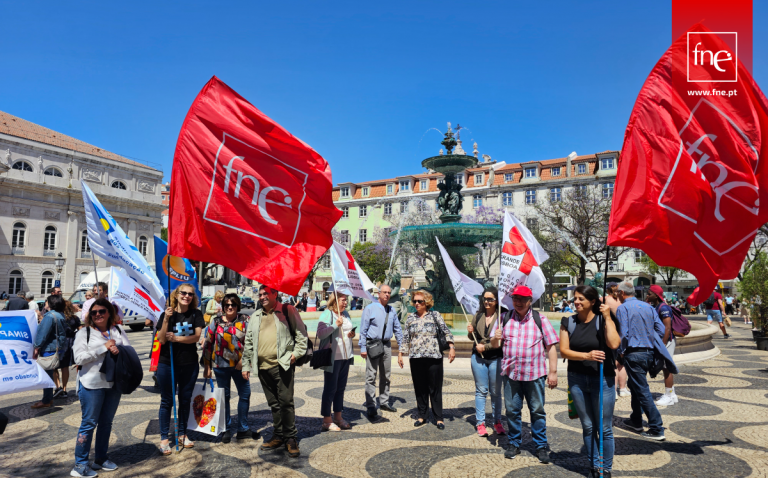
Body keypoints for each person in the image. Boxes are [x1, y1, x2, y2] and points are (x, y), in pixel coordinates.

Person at [490, 285, 559, 463]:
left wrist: (553, 372)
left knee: (537, 411)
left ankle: (541, 445)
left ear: (530, 301)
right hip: (511, 375)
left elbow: (551, 347)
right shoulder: (504, 318)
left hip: (534, 375)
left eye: (522, 299)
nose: (518, 302)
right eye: (515, 298)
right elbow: (495, 346)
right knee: (512, 411)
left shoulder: (540, 319)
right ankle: (514, 442)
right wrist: (495, 337)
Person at [559, 285, 621, 478]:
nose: (576, 302)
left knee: (604, 427)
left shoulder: (603, 320)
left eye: (581, 299)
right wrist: (587, 355)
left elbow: (614, 343)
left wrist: (608, 317)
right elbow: (564, 351)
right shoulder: (568, 322)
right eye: (575, 298)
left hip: (602, 379)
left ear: (593, 302)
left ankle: (606, 468)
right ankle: (594, 466)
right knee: (587, 425)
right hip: (576, 378)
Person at [241, 285, 307, 458]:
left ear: (275, 293)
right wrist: (246, 365)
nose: (262, 297)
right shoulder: (255, 316)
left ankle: (291, 437)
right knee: (274, 404)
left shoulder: (287, 310)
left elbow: (302, 335)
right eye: (260, 294)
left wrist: (295, 355)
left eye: (265, 294)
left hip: (282, 365)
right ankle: (279, 435)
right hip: (262, 368)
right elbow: (249, 342)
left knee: (285, 402)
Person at [70, 299, 129, 477]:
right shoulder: (84, 333)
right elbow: (78, 359)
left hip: (113, 384)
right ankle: (80, 465)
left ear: (109, 312)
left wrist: (119, 349)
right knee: (88, 424)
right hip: (91, 384)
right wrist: (103, 348)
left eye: (102, 311)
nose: (98, 314)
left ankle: (101, 458)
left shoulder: (117, 330)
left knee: (106, 423)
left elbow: (129, 351)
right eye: (94, 312)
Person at [616, 281, 670, 441]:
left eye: (617, 293)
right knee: (635, 385)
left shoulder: (623, 308)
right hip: (648, 353)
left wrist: (620, 352)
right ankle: (636, 420)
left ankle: (656, 427)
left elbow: (623, 334)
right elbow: (660, 330)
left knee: (642, 390)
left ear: (621, 293)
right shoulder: (648, 307)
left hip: (633, 353)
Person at [155, 284, 204, 455]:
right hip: (167, 363)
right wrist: (167, 319)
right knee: (167, 401)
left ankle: (182, 434)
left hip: (189, 363)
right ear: (177, 295)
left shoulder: (196, 314)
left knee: (185, 400)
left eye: (190, 294)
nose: (187, 296)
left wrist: (176, 338)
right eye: (183, 293)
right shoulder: (166, 314)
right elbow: (161, 340)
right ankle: (164, 438)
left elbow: (196, 337)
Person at [202, 293, 255, 443]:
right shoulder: (216, 321)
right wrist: (207, 366)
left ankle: (243, 428)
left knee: (245, 394)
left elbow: (251, 342)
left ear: (237, 306)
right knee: (224, 398)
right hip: (220, 366)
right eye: (227, 305)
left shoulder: (245, 320)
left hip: (240, 366)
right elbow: (208, 343)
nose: (230, 307)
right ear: (223, 306)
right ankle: (225, 428)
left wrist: (244, 362)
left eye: (233, 305)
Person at [399, 290, 455, 430]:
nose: (416, 304)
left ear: (427, 302)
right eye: (415, 301)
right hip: (416, 358)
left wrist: (452, 347)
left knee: (435, 388)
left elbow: (446, 331)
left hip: (434, 357)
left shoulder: (435, 315)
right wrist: (401, 354)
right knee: (420, 388)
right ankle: (422, 415)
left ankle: (438, 417)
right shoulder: (411, 318)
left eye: (420, 301)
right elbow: (406, 338)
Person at [360, 284, 403, 420]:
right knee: (371, 376)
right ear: (378, 293)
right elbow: (363, 330)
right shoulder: (370, 308)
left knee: (386, 375)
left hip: (386, 346)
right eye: (385, 292)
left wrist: (401, 347)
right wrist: (362, 347)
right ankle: (371, 405)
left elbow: (398, 330)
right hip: (373, 344)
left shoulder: (392, 311)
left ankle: (384, 402)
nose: (387, 295)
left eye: (389, 292)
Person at [467, 286, 505, 437]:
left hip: (496, 358)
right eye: (485, 298)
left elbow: (501, 341)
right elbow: (473, 339)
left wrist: (486, 347)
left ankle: (497, 422)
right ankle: (480, 423)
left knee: (495, 392)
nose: (487, 301)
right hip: (478, 358)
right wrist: (470, 332)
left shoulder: (502, 316)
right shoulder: (478, 315)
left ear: (497, 301)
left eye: (491, 299)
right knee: (481, 391)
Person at [316, 291, 355, 431]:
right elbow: (320, 334)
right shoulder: (328, 314)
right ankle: (327, 420)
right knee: (330, 388)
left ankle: (338, 417)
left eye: (346, 300)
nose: (346, 302)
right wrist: (335, 325)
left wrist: (351, 334)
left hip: (346, 356)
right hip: (333, 357)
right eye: (343, 300)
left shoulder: (346, 314)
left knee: (341, 388)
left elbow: (346, 332)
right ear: (335, 300)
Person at [31, 294, 68, 409]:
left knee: (47, 375)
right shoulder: (60, 315)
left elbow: (43, 334)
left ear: (51, 304)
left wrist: (36, 347)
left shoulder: (49, 316)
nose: (45, 304)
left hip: (48, 348)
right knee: (50, 374)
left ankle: (47, 400)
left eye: (46, 302)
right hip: (57, 348)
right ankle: (48, 398)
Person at [644, 285, 678, 407]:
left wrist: (663, 344)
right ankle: (672, 394)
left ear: (656, 295)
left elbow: (667, 328)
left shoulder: (664, 308)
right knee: (665, 367)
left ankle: (668, 396)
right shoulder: (657, 306)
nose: (647, 296)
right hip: (663, 341)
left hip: (666, 341)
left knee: (666, 367)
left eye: (649, 294)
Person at [605, 283, 630, 399]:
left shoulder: (605, 299)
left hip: (612, 333)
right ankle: (623, 389)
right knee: (622, 363)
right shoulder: (623, 301)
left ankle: (613, 391)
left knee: (613, 363)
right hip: (624, 332)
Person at [51, 301, 81, 400]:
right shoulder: (75, 318)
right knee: (65, 367)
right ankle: (64, 389)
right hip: (70, 343)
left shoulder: (57, 317)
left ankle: (58, 387)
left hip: (58, 342)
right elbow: (80, 331)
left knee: (54, 365)